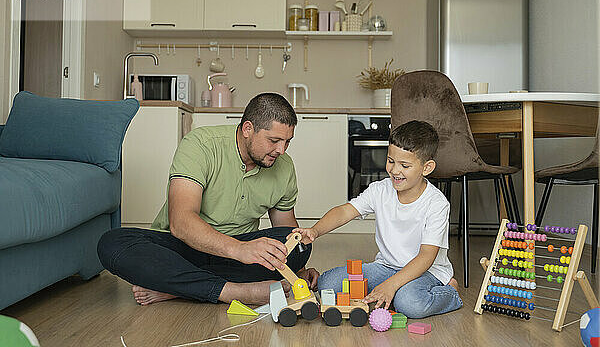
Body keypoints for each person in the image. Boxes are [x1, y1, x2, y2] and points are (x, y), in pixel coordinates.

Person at [97, 93, 318, 306]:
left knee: (301, 246)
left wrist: (296, 273)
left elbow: (287, 230)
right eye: (274, 140)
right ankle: (234, 291)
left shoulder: (284, 166)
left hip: (240, 255)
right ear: (248, 129)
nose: (281, 150)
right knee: (112, 243)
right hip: (182, 248)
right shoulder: (201, 145)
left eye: (287, 141)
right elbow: (181, 222)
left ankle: (177, 287)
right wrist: (239, 250)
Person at [291, 120, 463, 318]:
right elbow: (345, 211)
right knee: (327, 285)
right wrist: (315, 230)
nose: (395, 170)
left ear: (427, 167)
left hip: (425, 271)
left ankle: (450, 292)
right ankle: (392, 293)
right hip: (386, 267)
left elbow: (426, 256)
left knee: (409, 304)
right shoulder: (380, 190)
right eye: (391, 161)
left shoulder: (436, 203)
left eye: (405, 165)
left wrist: (389, 286)